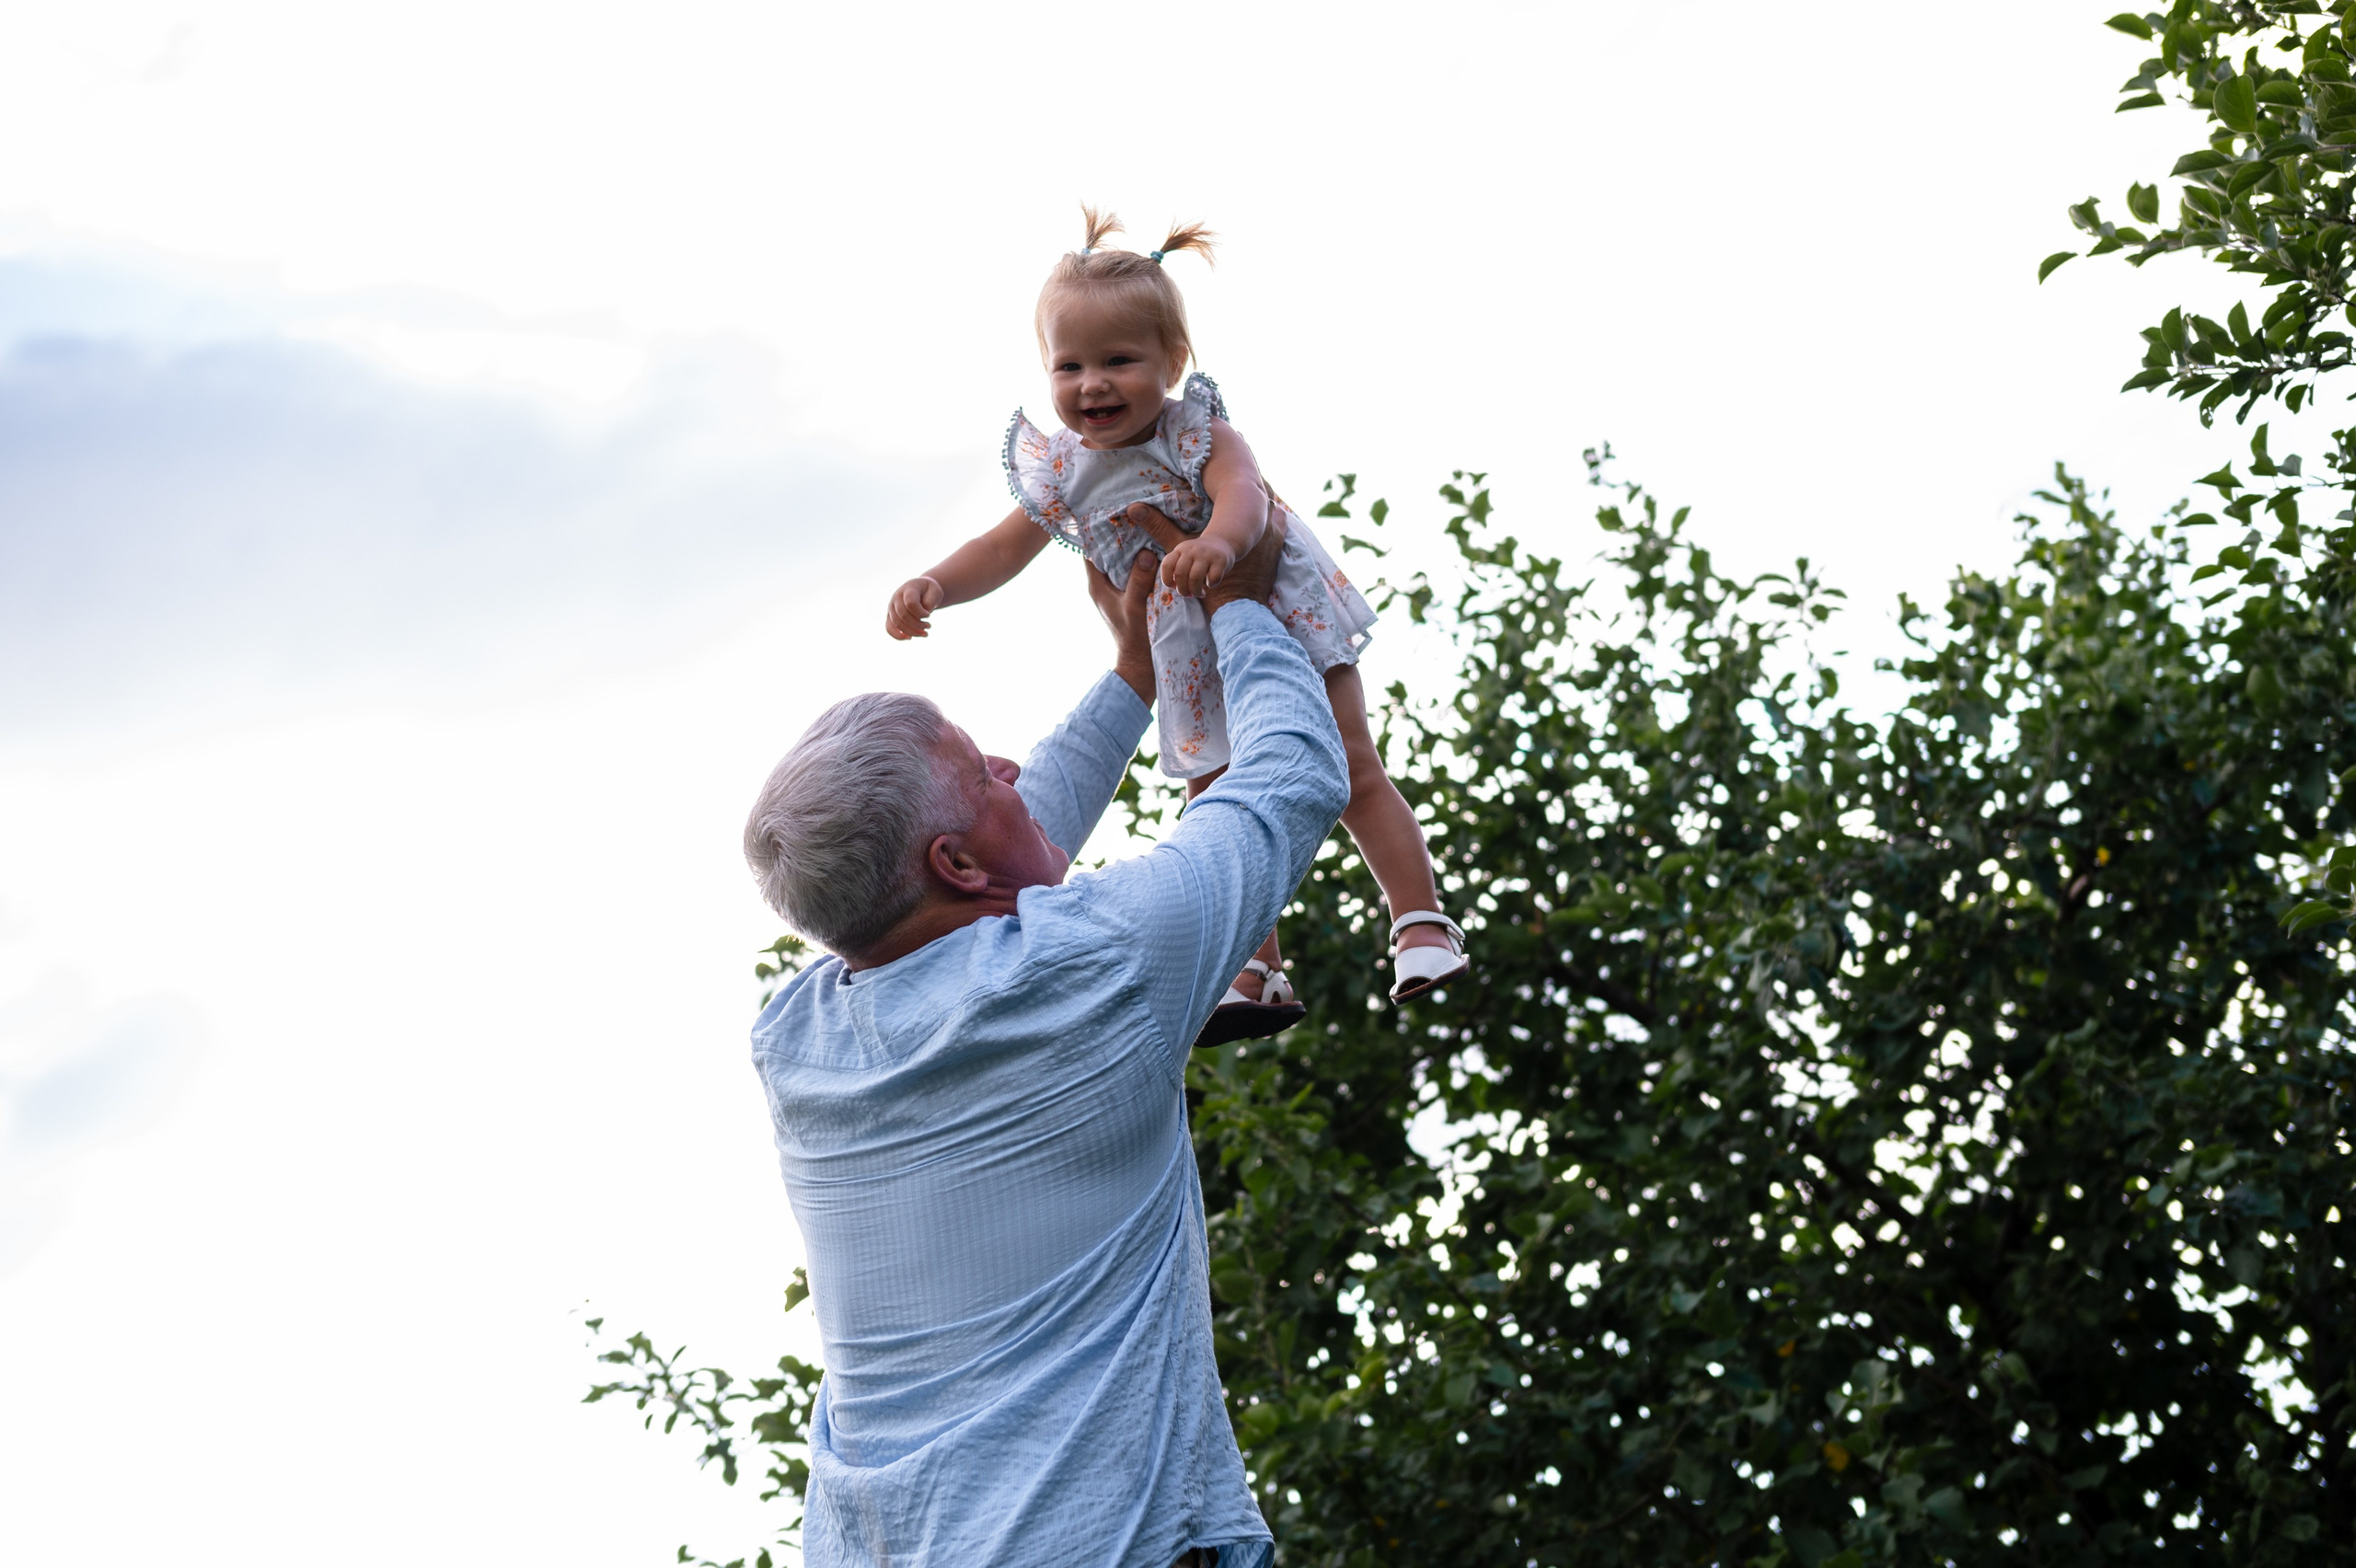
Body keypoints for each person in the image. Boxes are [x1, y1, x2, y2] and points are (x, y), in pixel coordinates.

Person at [742, 517, 1333, 1567]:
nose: (1015, 768)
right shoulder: (1094, 969)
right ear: (958, 864)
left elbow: (996, 859)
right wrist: (1243, 602)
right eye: (985, 770)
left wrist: (1133, 679)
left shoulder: (796, 1041)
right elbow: (1290, 778)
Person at [883, 207, 1470, 1025]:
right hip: (1183, 647)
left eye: (1119, 361)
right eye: (1069, 365)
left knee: (1348, 766)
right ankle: (1255, 968)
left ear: (1172, 361)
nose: (1092, 384)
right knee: (1214, 798)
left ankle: (1419, 921)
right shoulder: (1065, 471)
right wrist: (936, 584)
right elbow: (1001, 547)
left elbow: (1244, 495)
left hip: (1272, 605)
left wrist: (1222, 549)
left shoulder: (1197, 431)